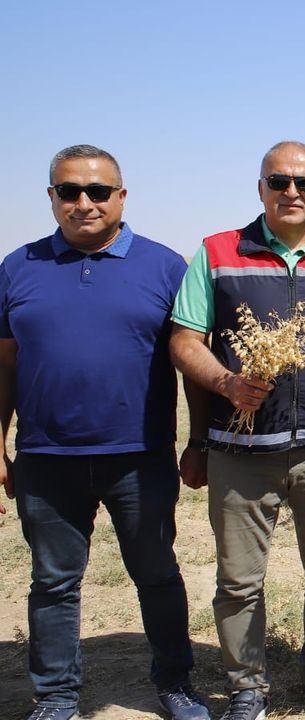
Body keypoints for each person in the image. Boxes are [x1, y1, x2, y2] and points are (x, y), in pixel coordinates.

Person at [170, 141, 305, 720]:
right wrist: (226, 384)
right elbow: (186, 341)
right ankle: (246, 688)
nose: (292, 193)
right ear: (260, 187)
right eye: (279, 181)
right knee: (239, 580)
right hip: (240, 449)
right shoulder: (217, 253)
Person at [0, 145, 208, 720]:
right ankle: (58, 695)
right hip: (46, 457)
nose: (83, 203)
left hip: (139, 457)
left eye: (97, 191)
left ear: (121, 196)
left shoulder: (166, 267)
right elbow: (5, 366)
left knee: (157, 573)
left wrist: (200, 440)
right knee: (53, 582)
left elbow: (190, 358)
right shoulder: (17, 268)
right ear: (51, 198)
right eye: (69, 192)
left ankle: (176, 682)